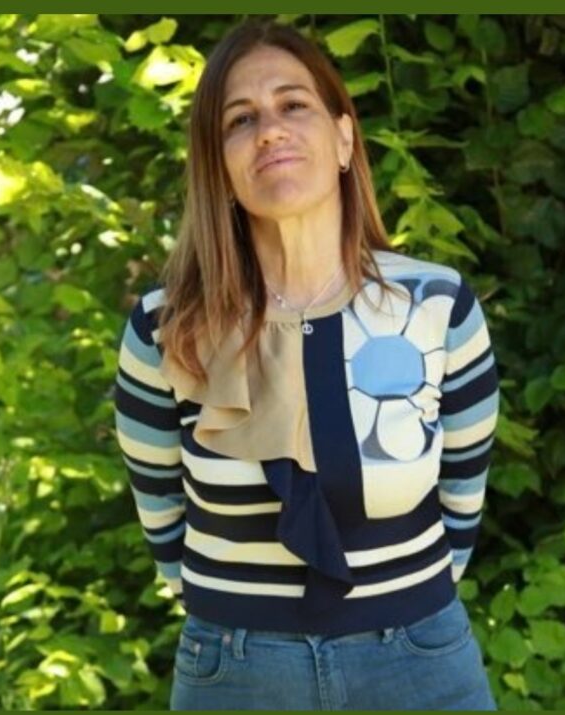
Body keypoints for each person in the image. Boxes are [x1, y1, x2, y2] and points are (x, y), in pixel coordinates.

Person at [114, 17, 500, 711]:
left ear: (344, 138)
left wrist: (406, 605)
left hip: (419, 663)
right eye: (240, 119)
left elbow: (463, 496)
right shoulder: (164, 326)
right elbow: (161, 510)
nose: (270, 130)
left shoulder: (437, 305)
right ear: (218, 165)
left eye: (293, 104)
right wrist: (231, 615)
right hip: (237, 673)